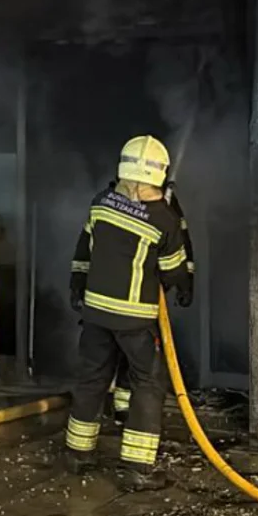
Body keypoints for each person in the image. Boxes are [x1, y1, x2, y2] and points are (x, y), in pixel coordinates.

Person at [63, 135, 193, 491]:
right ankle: (137, 468)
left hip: (96, 314)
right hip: (135, 320)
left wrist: (77, 285)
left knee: (91, 379)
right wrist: (185, 283)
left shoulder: (102, 203)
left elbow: (84, 249)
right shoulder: (164, 219)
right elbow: (172, 271)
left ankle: (77, 453)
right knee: (148, 383)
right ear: (160, 175)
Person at [107, 179, 196, 425]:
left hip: (150, 292)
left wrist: (186, 282)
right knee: (128, 351)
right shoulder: (118, 196)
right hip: (122, 292)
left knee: (139, 351)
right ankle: (124, 404)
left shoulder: (166, 203)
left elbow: (181, 242)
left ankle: (125, 404)